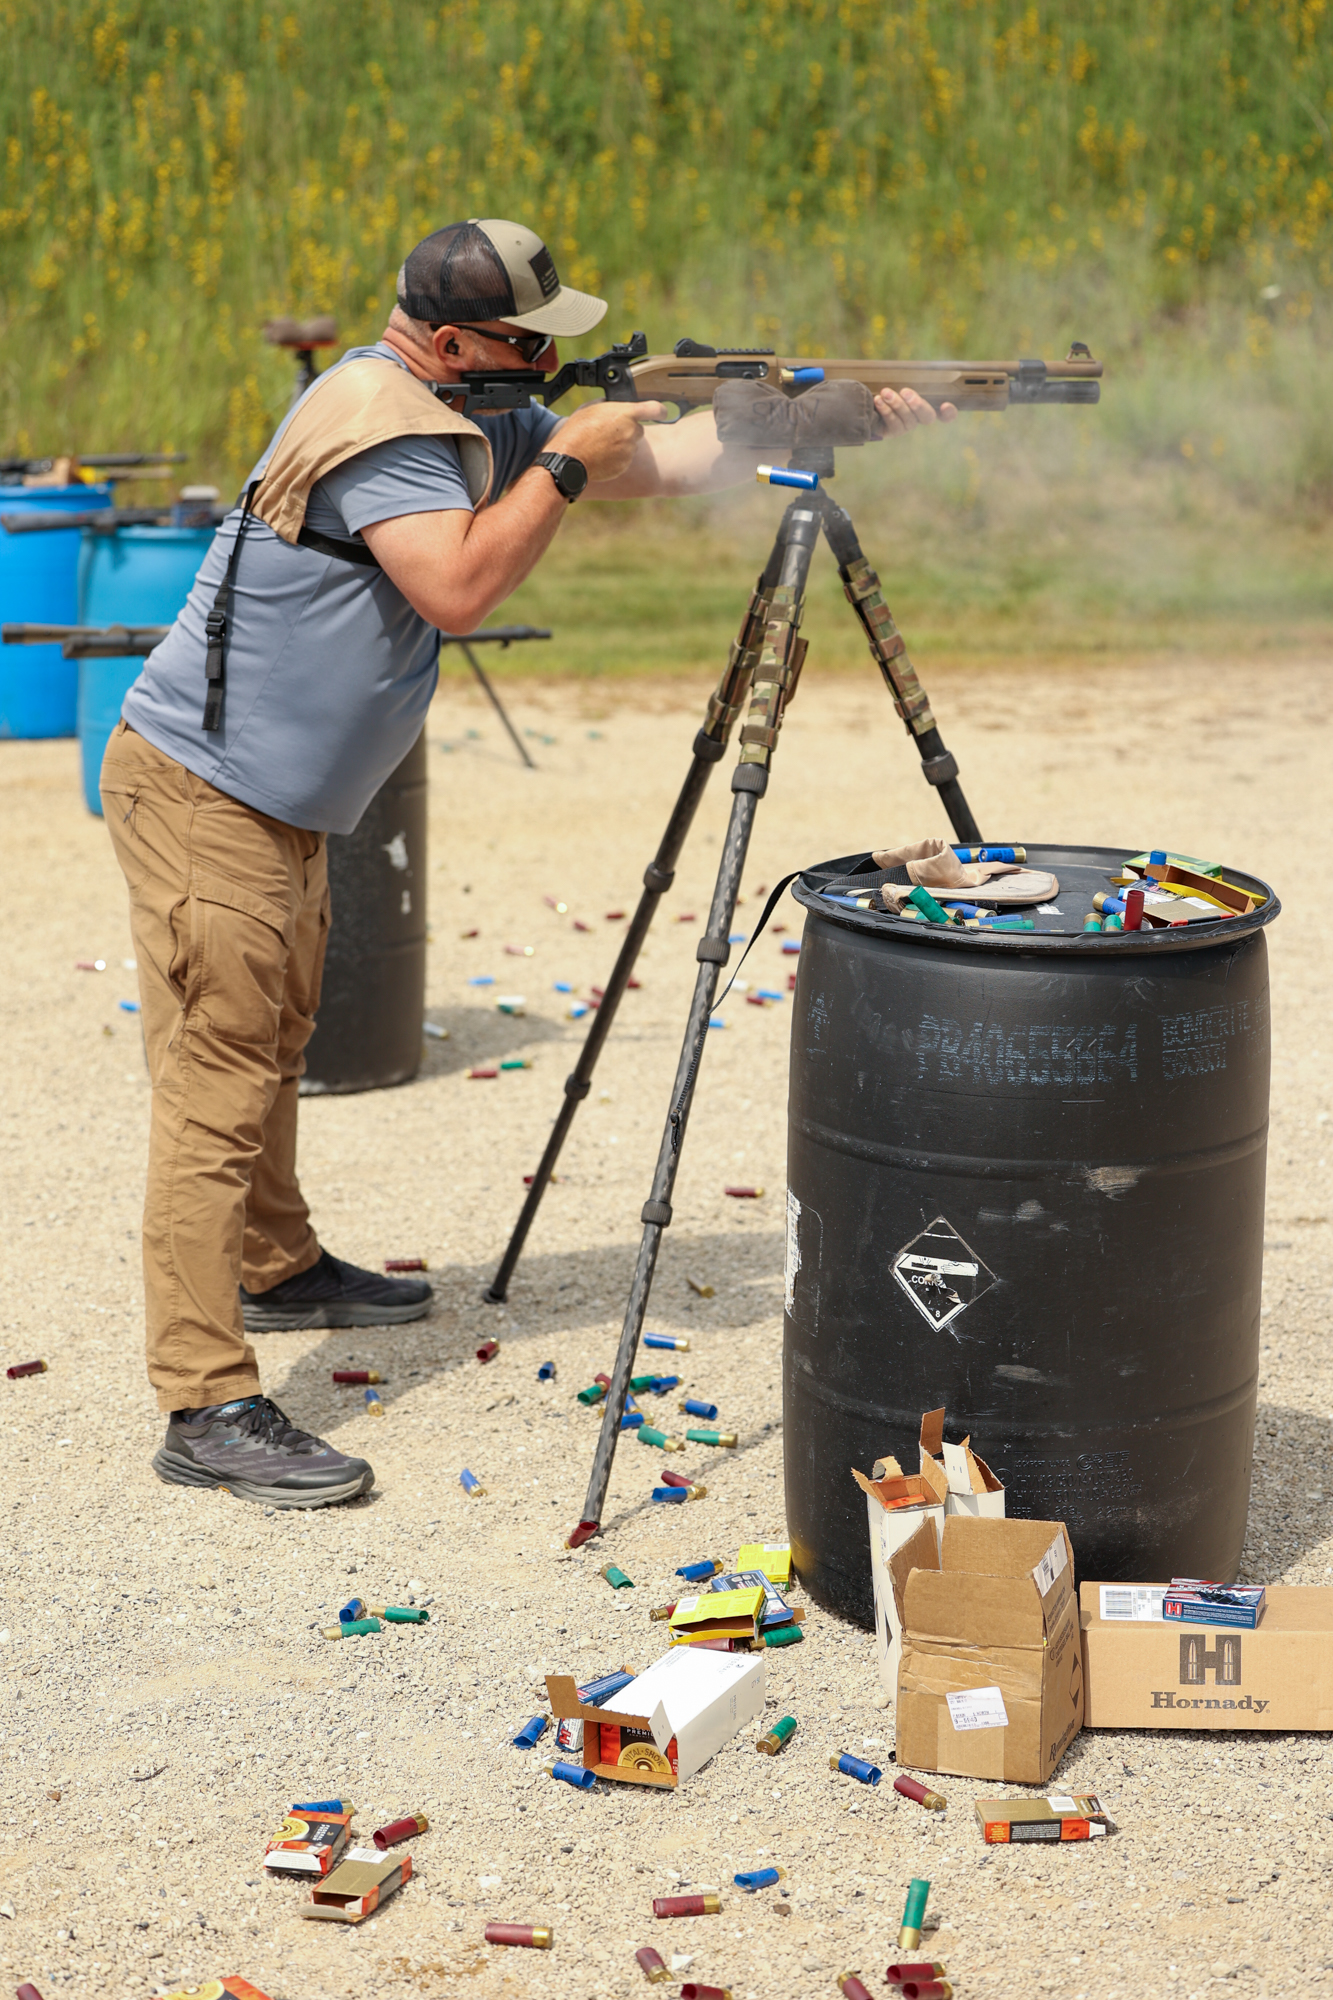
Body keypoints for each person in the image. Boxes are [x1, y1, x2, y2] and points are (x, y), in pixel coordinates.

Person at [101, 216, 953, 1510]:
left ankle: (274, 1270)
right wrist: (559, 461)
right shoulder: (381, 425)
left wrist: (806, 423)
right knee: (221, 1074)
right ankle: (202, 1396)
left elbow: (657, 463)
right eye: (522, 340)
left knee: (269, 1026)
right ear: (449, 341)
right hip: (209, 795)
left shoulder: (456, 405)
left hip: (272, 799)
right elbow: (457, 588)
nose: (545, 361)